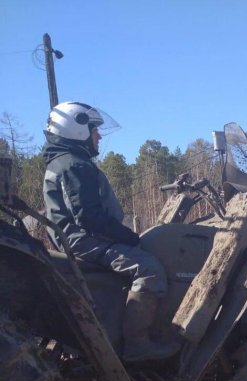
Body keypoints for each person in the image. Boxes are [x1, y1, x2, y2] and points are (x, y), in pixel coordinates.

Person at [42, 101, 179, 362]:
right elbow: (89, 217)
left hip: (74, 239)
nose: (99, 136)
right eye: (95, 130)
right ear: (78, 129)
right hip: (83, 240)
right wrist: (130, 237)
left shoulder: (63, 162)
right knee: (149, 269)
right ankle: (137, 344)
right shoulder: (75, 165)